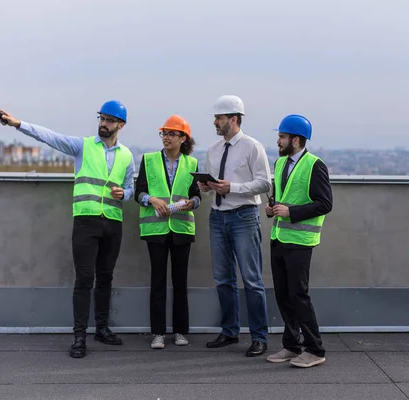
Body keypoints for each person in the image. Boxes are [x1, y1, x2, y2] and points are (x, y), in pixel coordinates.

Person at [0, 101, 135, 359]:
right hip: (85, 222)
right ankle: (79, 336)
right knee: (84, 280)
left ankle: (102, 329)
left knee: (106, 278)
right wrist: (18, 124)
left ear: (120, 125)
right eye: (101, 119)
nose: (103, 124)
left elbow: (130, 190)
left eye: (109, 120)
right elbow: (50, 137)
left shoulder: (127, 156)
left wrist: (123, 193)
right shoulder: (83, 146)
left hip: (113, 223)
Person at [198, 95, 272, 357]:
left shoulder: (253, 147)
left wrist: (233, 188)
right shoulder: (213, 150)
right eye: (216, 118)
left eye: (219, 118)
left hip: (243, 217)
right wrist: (205, 187)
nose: (216, 123)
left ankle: (259, 336)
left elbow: (265, 184)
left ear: (234, 119)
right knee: (223, 280)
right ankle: (229, 332)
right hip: (217, 217)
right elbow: (207, 190)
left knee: (252, 280)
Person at [264, 114, 332, 368]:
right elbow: (282, 198)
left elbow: (325, 203)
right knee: (283, 295)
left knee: (298, 295)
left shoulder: (315, 165)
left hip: (300, 241)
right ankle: (292, 345)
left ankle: (315, 349)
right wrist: (273, 209)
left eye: (282, 136)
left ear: (296, 139)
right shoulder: (281, 164)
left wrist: (291, 212)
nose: (278, 141)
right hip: (279, 237)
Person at [135, 115, 201, 349]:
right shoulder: (149, 160)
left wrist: (192, 203)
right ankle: (158, 333)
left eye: (172, 134)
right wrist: (151, 199)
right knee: (158, 281)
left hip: (181, 228)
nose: (166, 137)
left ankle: (181, 332)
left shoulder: (191, 164)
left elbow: (197, 196)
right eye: (164, 133)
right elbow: (138, 192)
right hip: (156, 229)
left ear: (183, 138)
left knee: (180, 282)